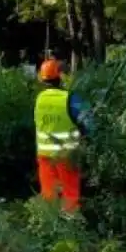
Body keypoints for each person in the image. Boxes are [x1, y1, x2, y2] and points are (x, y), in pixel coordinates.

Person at [33, 58, 92, 212]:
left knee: (49, 195)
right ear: (59, 77)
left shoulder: (39, 99)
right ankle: (70, 227)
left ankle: (49, 225)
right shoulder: (71, 98)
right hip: (66, 155)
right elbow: (89, 122)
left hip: (44, 155)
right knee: (70, 195)